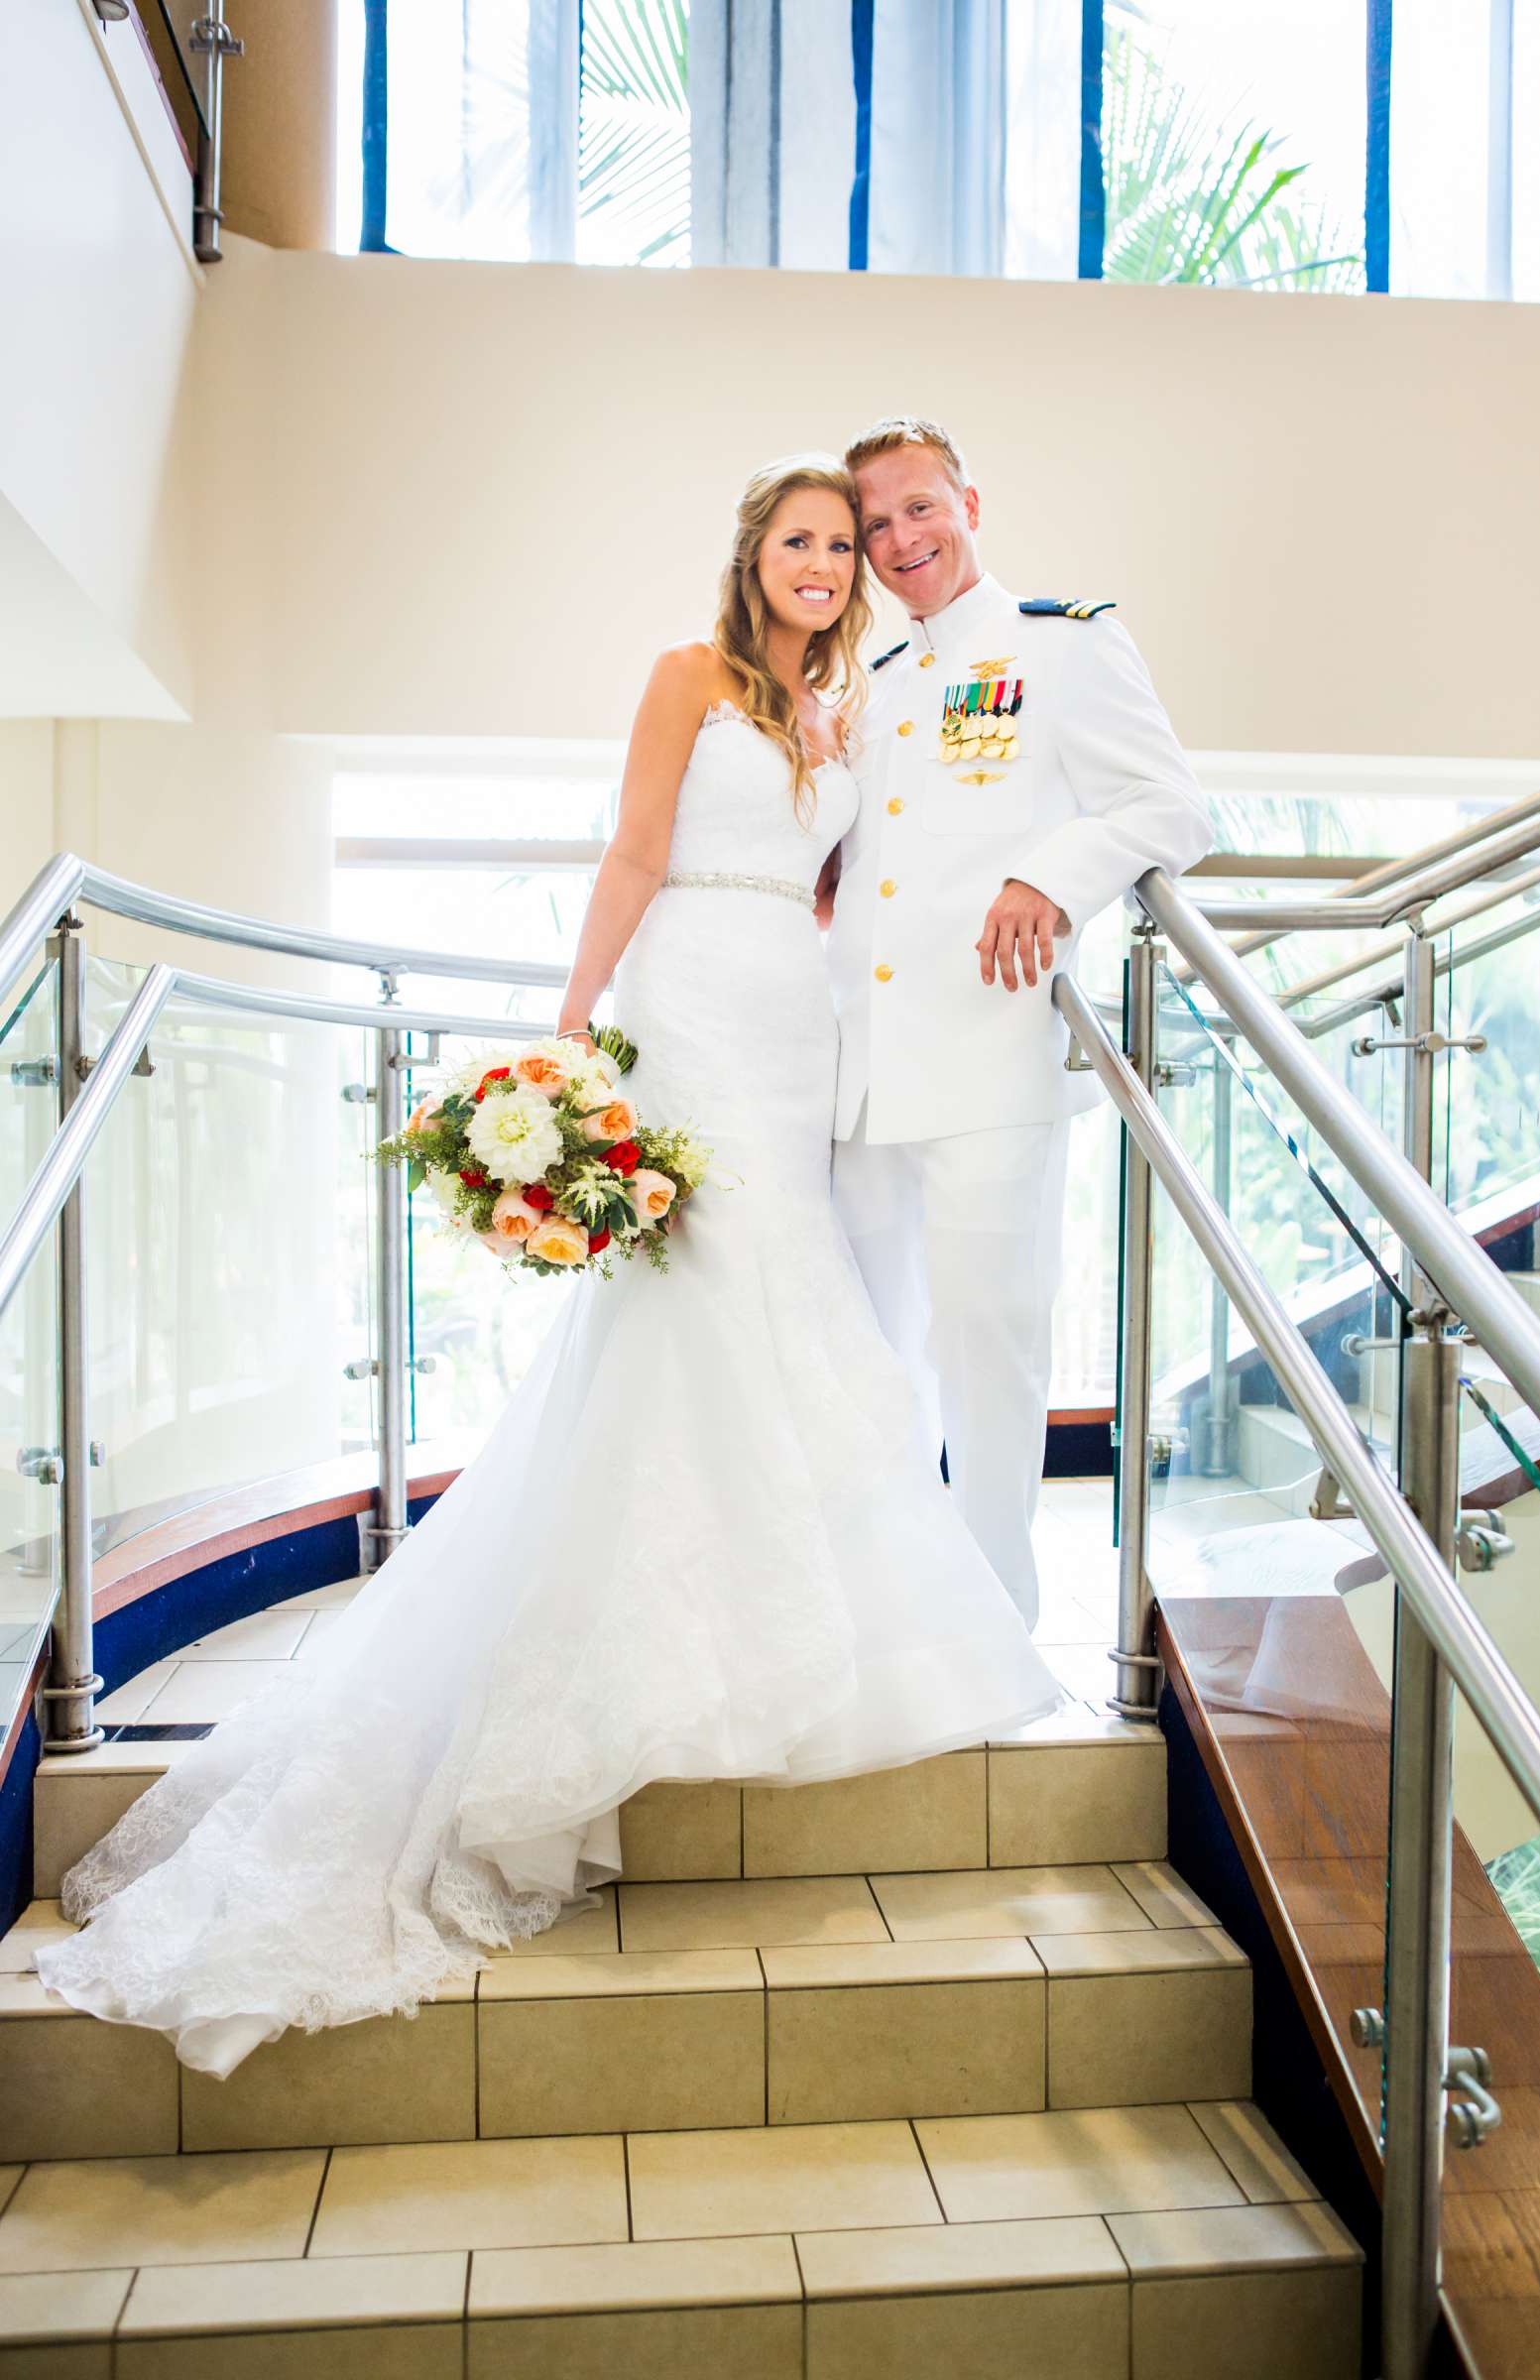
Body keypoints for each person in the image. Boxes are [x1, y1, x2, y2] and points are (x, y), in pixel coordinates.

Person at [36, 455, 1059, 2079]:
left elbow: (864, 883)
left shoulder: (851, 708)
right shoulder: (688, 679)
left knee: (790, 1298)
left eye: (838, 545)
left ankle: (814, 1615)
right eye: (798, 540)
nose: (820, 562)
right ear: (755, 555)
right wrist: (575, 1027)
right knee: (692, 1300)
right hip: (690, 1006)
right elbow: (636, 855)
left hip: (799, 1029)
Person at [827, 416, 1213, 1632]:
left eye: (919, 509)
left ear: (969, 504)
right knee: (871, 1360)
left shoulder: (1062, 645)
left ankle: (991, 1625)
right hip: (861, 1081)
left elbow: (1170, 809)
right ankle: (889, 1607)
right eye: (875, 525)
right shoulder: (878, 688)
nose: (900, 540)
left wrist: (1048, 874)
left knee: (989, 1351)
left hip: (991, 1061)